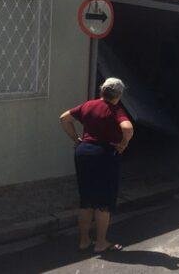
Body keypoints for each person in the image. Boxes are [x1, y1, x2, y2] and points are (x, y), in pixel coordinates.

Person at [59, 77, 134, 253]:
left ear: (102, 90)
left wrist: (76, 139)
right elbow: (128, 128)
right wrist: (123, 144)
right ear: (119, 95)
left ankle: (84, 240)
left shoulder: (88, 105)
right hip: (105, 155)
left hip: (84, 152)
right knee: (103, 202)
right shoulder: (115, 109)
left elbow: (64, 118)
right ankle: (101, 243)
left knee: (86, 200)